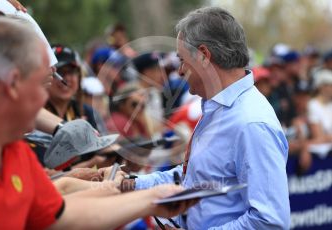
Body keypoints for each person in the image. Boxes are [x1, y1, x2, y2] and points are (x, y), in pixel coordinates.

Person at [0, 17, 196, 229]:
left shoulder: (15, 153)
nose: (44, 99)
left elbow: (61, 214)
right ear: (13, 83)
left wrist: (150, 199)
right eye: (41, 84)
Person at [122, 7, 290, 229]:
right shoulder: (222, 108)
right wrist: (130, 184)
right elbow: (195, 176)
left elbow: (270, 221)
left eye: (182, 60)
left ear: (203, 55)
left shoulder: (251, 123)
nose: (180, 71)